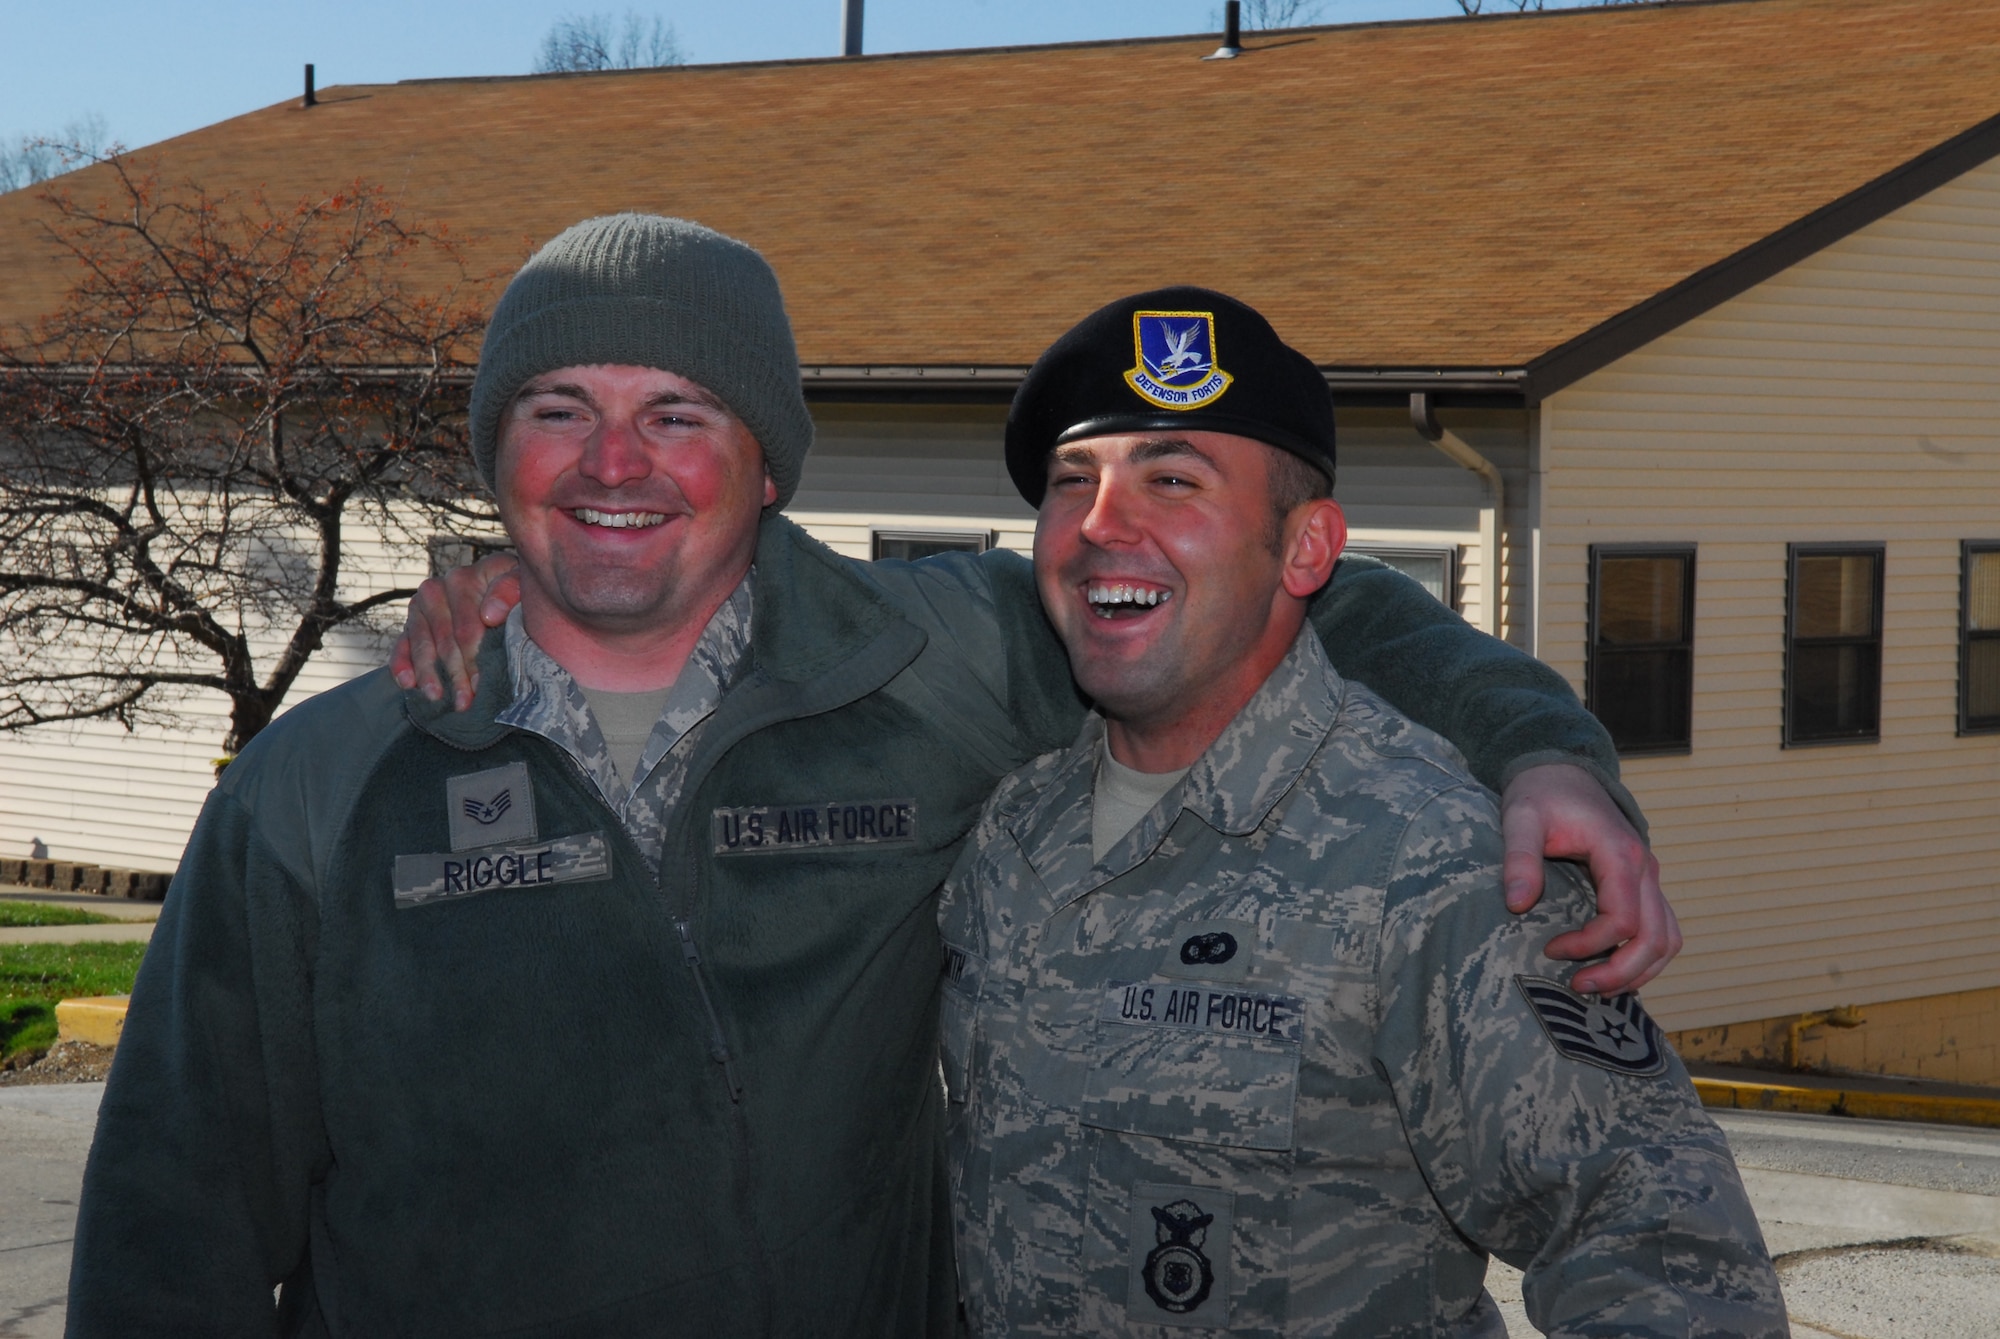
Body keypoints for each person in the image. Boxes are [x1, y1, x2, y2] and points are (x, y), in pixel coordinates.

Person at [70, 215, 1672, 1338]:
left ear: (767, 464)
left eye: (677, 412)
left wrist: (1540, 746)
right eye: (560, 410)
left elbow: (1289, 593)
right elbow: (173, 1227)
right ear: (498, 459)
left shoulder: (937, 662)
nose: (613, 463)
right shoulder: (319, 788)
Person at [938, 288, 1782, 1336]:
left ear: (1305, 550)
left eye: (1170, 479)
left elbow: (1662, 1250)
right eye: (1073, 482)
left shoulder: (1434, 862)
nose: (1102, 524)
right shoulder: (1010, 835)